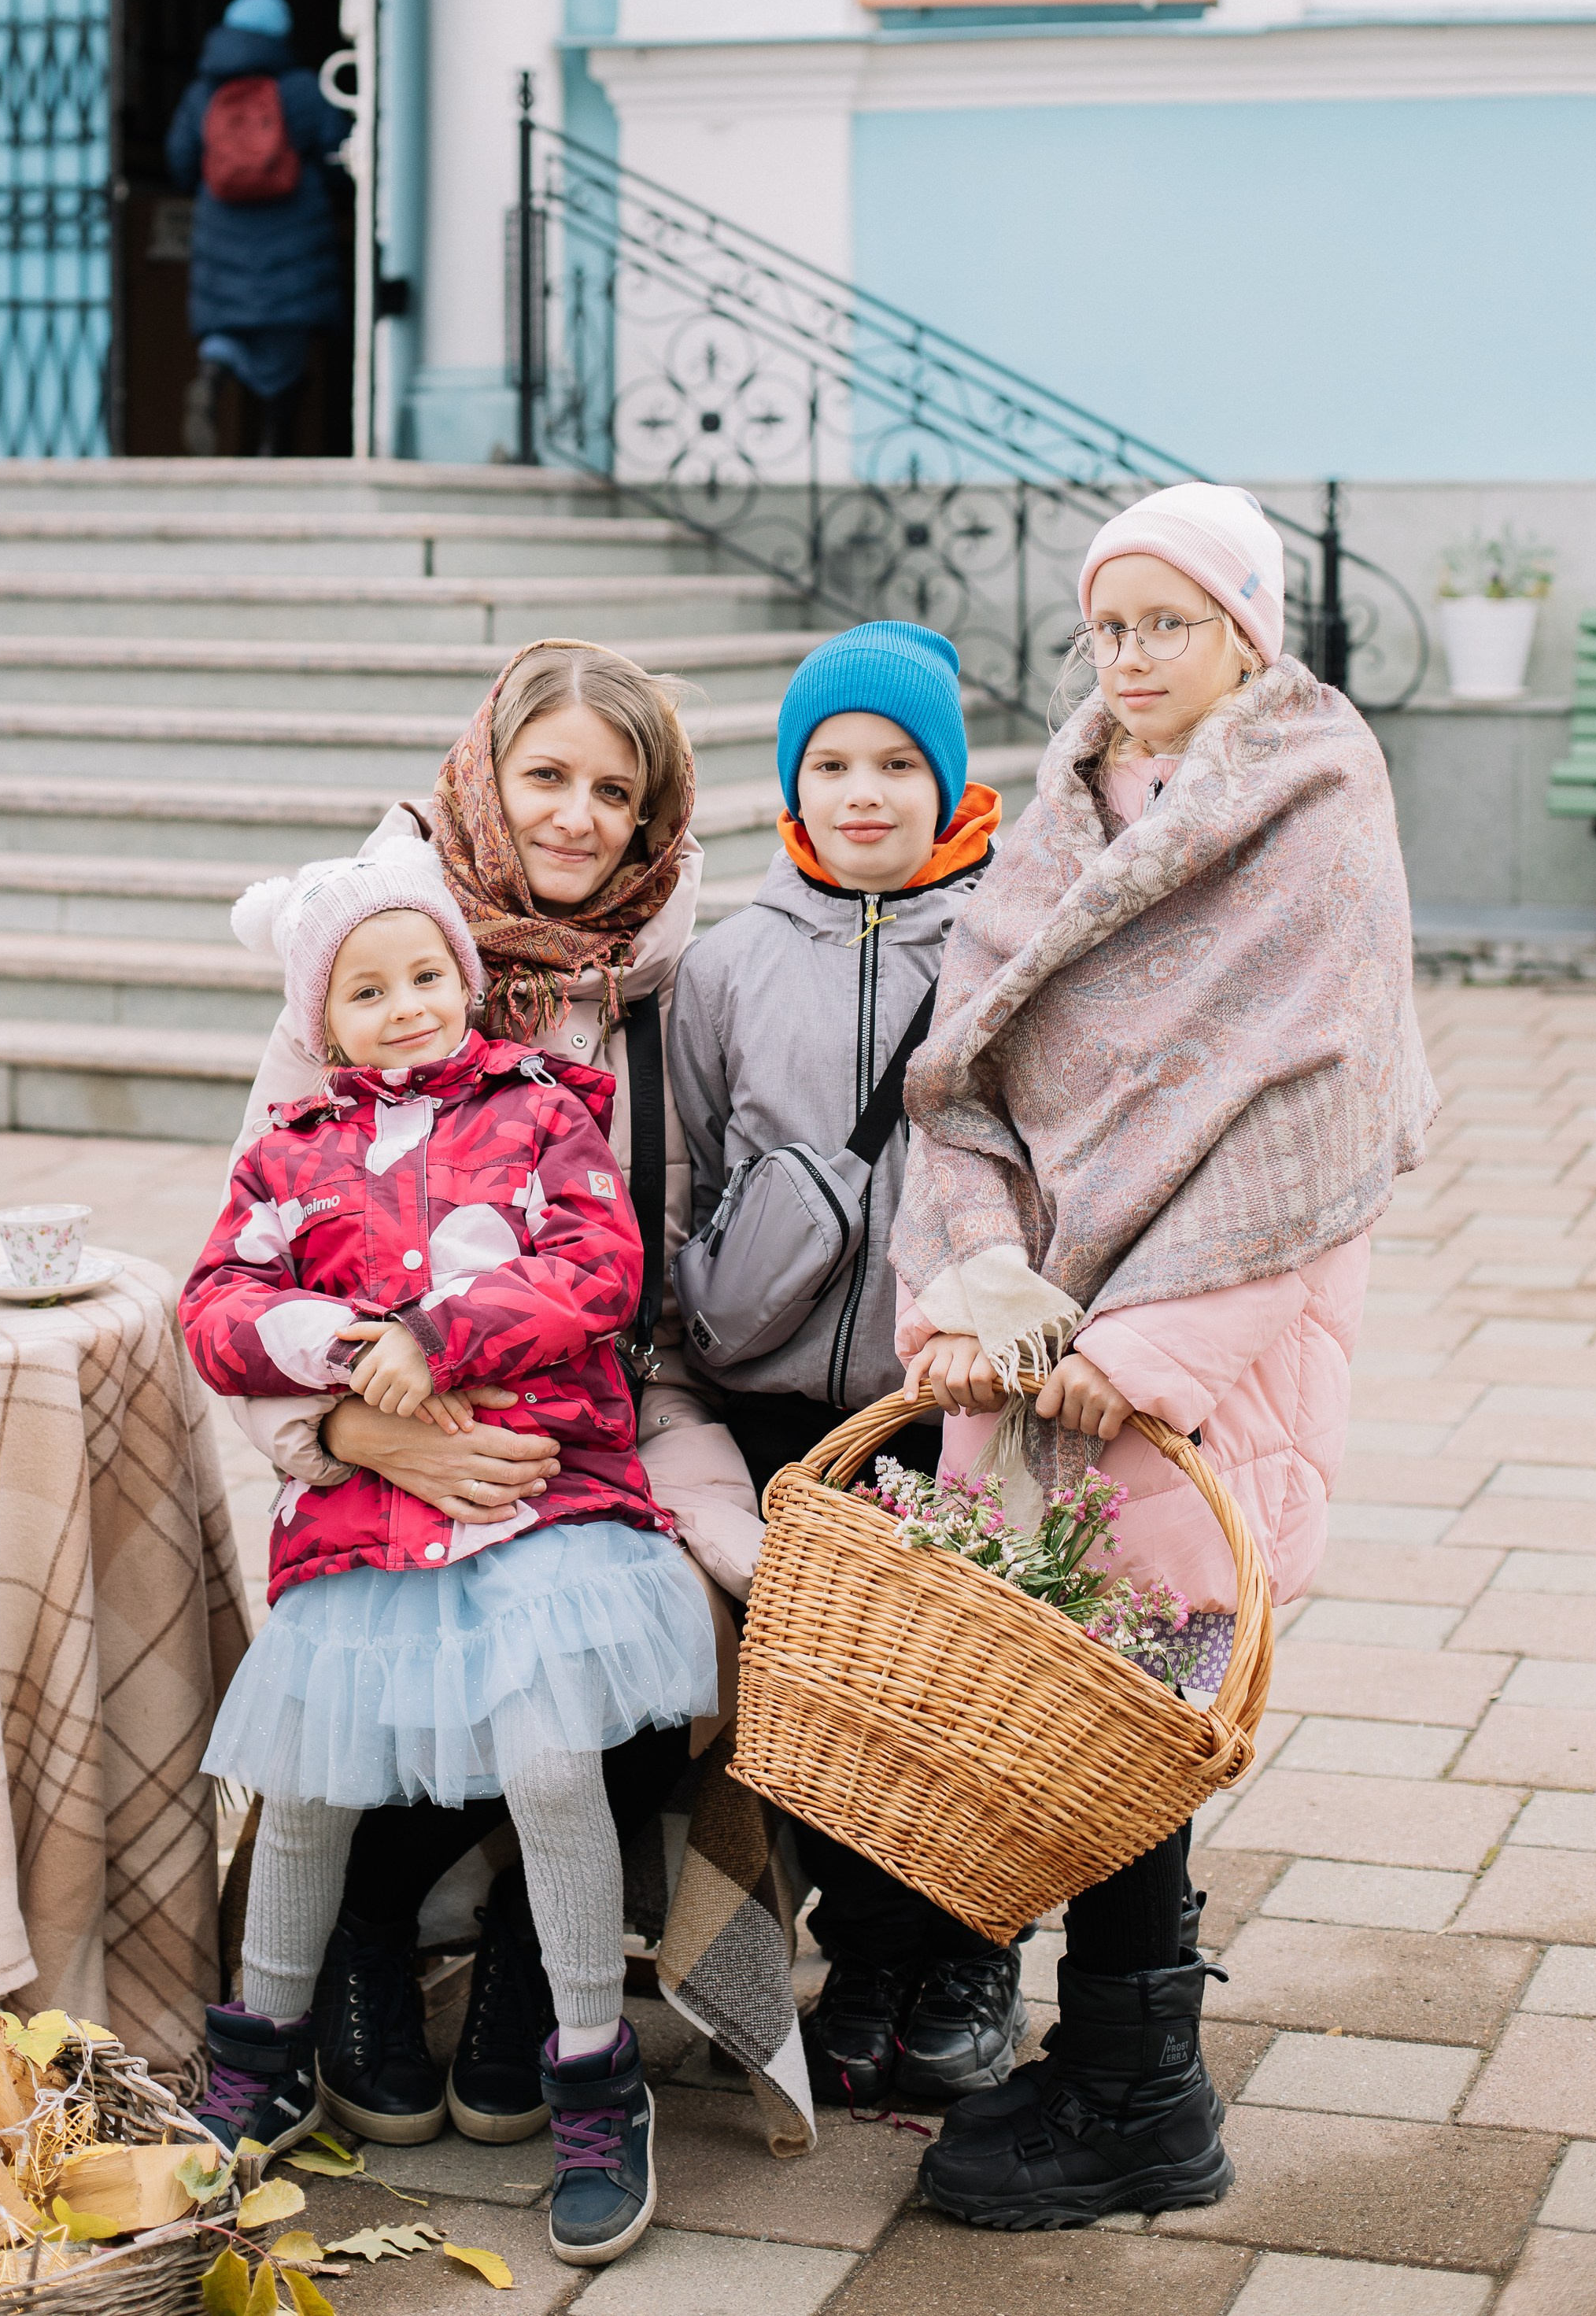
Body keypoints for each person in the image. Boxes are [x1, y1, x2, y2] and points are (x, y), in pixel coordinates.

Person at [889, 482, 1436, 2229]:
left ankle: (1145, 2093)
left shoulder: (1314, 811)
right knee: (1078, 1706)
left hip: (1198, 1350)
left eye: (1167, 624)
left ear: (1246, 632)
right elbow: (961, 1070)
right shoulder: (1059, 808)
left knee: (1146, 1710)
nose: (1127, 658)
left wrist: (1155, 1342)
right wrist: (974, 1279)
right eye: (1107, 625)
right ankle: (1118, 2055)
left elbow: (1318, 1118)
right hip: (1038, 1351)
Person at [228, 640, 756, 2147]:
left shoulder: (670, 987)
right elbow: (244, 1265)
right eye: (547, 778)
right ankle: (363, 1946)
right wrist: (348, 1433)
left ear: (656, 819)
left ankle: (541, 1960)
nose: (579, 818)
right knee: (381, 1635)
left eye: (616, 790)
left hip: (620, 1399)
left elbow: (659, 1254)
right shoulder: (366, 967)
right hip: (379, 1415)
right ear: (483, 778)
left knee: (662, 1620)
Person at [182, 844, 717, 2267]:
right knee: (303, 1792)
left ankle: (595, 2074)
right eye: (368, 987)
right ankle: (266, 2056)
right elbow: (219, 1306)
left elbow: (598, 1265)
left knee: (552, 1764)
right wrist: (337, 1356)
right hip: (364, 1522)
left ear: (466, 987)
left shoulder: (540, 1110)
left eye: (427, 976)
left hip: (537, 1494)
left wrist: (440, 1335)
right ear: (321, 1015)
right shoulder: (288, 1154)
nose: (407, 1005)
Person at [667, 621, 1018, 2110]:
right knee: (817, 1705)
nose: (864, 791)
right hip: (762, 1401)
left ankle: (965, 1954)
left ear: (946, 784)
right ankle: (865, 1961)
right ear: (790, 783)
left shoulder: (1006, 949)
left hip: (929, 1406)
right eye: (831, 763)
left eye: (896, 763)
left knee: (941, 1697)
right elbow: (682, 1170)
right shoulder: (726, 964)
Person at [164, 0, 349, 460]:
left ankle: (211, 378)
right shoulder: (303, 89)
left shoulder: (202, 93)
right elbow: (339, 152)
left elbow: (180, 159)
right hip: (294, 232)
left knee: (226, 329)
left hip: (222, 229)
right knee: (286, 344)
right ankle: (273, 447)